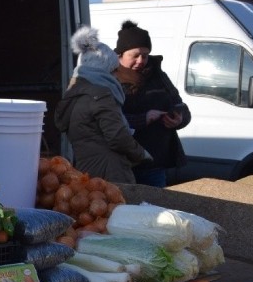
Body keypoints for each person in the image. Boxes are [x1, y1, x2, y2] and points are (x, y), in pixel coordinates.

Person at [54, 26, 151, 183]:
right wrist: (142, 154)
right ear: (104, 70)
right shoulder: (100, 95)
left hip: (85, 168)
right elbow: (117, 137)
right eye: (113, 70)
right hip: (110, 172)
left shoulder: (75, 94)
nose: (116, 76)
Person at [113, 20, 191, 188]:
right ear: (120, 54)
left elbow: (180, 105)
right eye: (135, 55)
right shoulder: (109, 78)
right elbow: (107, 119)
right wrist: (143, 119)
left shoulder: (158, 75)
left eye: (145, 55)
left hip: (154, 165)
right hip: (123, 164)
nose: (141, 60)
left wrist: (179, 118)